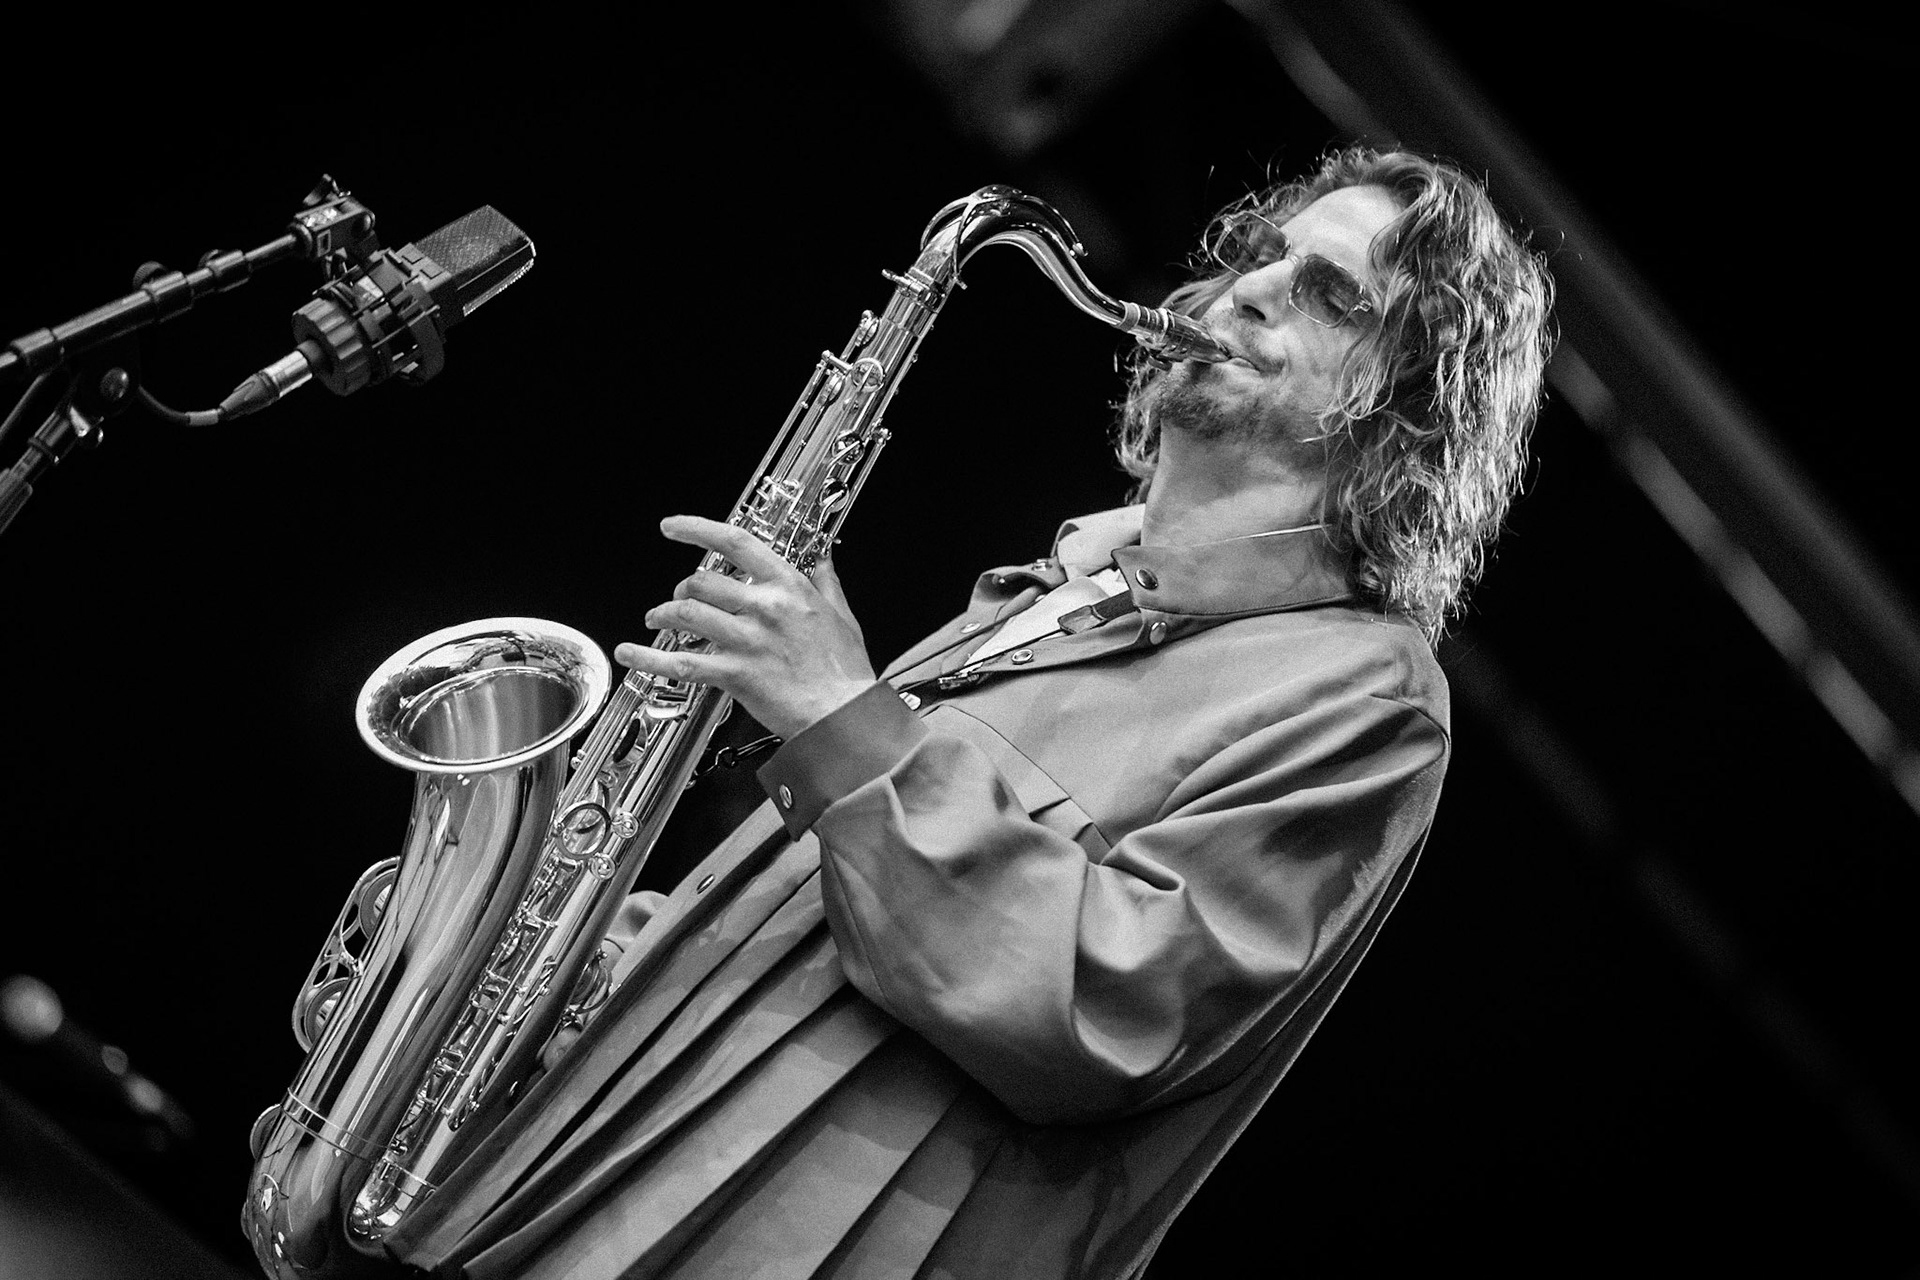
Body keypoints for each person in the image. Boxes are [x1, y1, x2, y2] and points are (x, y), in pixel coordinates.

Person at [384, 145, 1554, 1279]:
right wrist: (580, 955)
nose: (1247, 290)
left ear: (1408, 409)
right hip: (593, 1184)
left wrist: (845, 713)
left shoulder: (1366, 692)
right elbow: (841, 920)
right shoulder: (1060, 593)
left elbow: (1113, 1006)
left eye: (1325, 295)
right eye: (1262, 256)